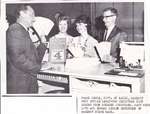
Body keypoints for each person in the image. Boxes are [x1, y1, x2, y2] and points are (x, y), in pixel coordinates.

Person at [6, 4, 47, 94]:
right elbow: (18, 59)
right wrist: (39, 67)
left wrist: (43, 44)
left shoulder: (23, 31)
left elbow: (33, 57)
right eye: (32, 15)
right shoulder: (15, 29)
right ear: (22, 14)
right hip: (20, 85)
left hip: (26, 83)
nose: (34, 19)